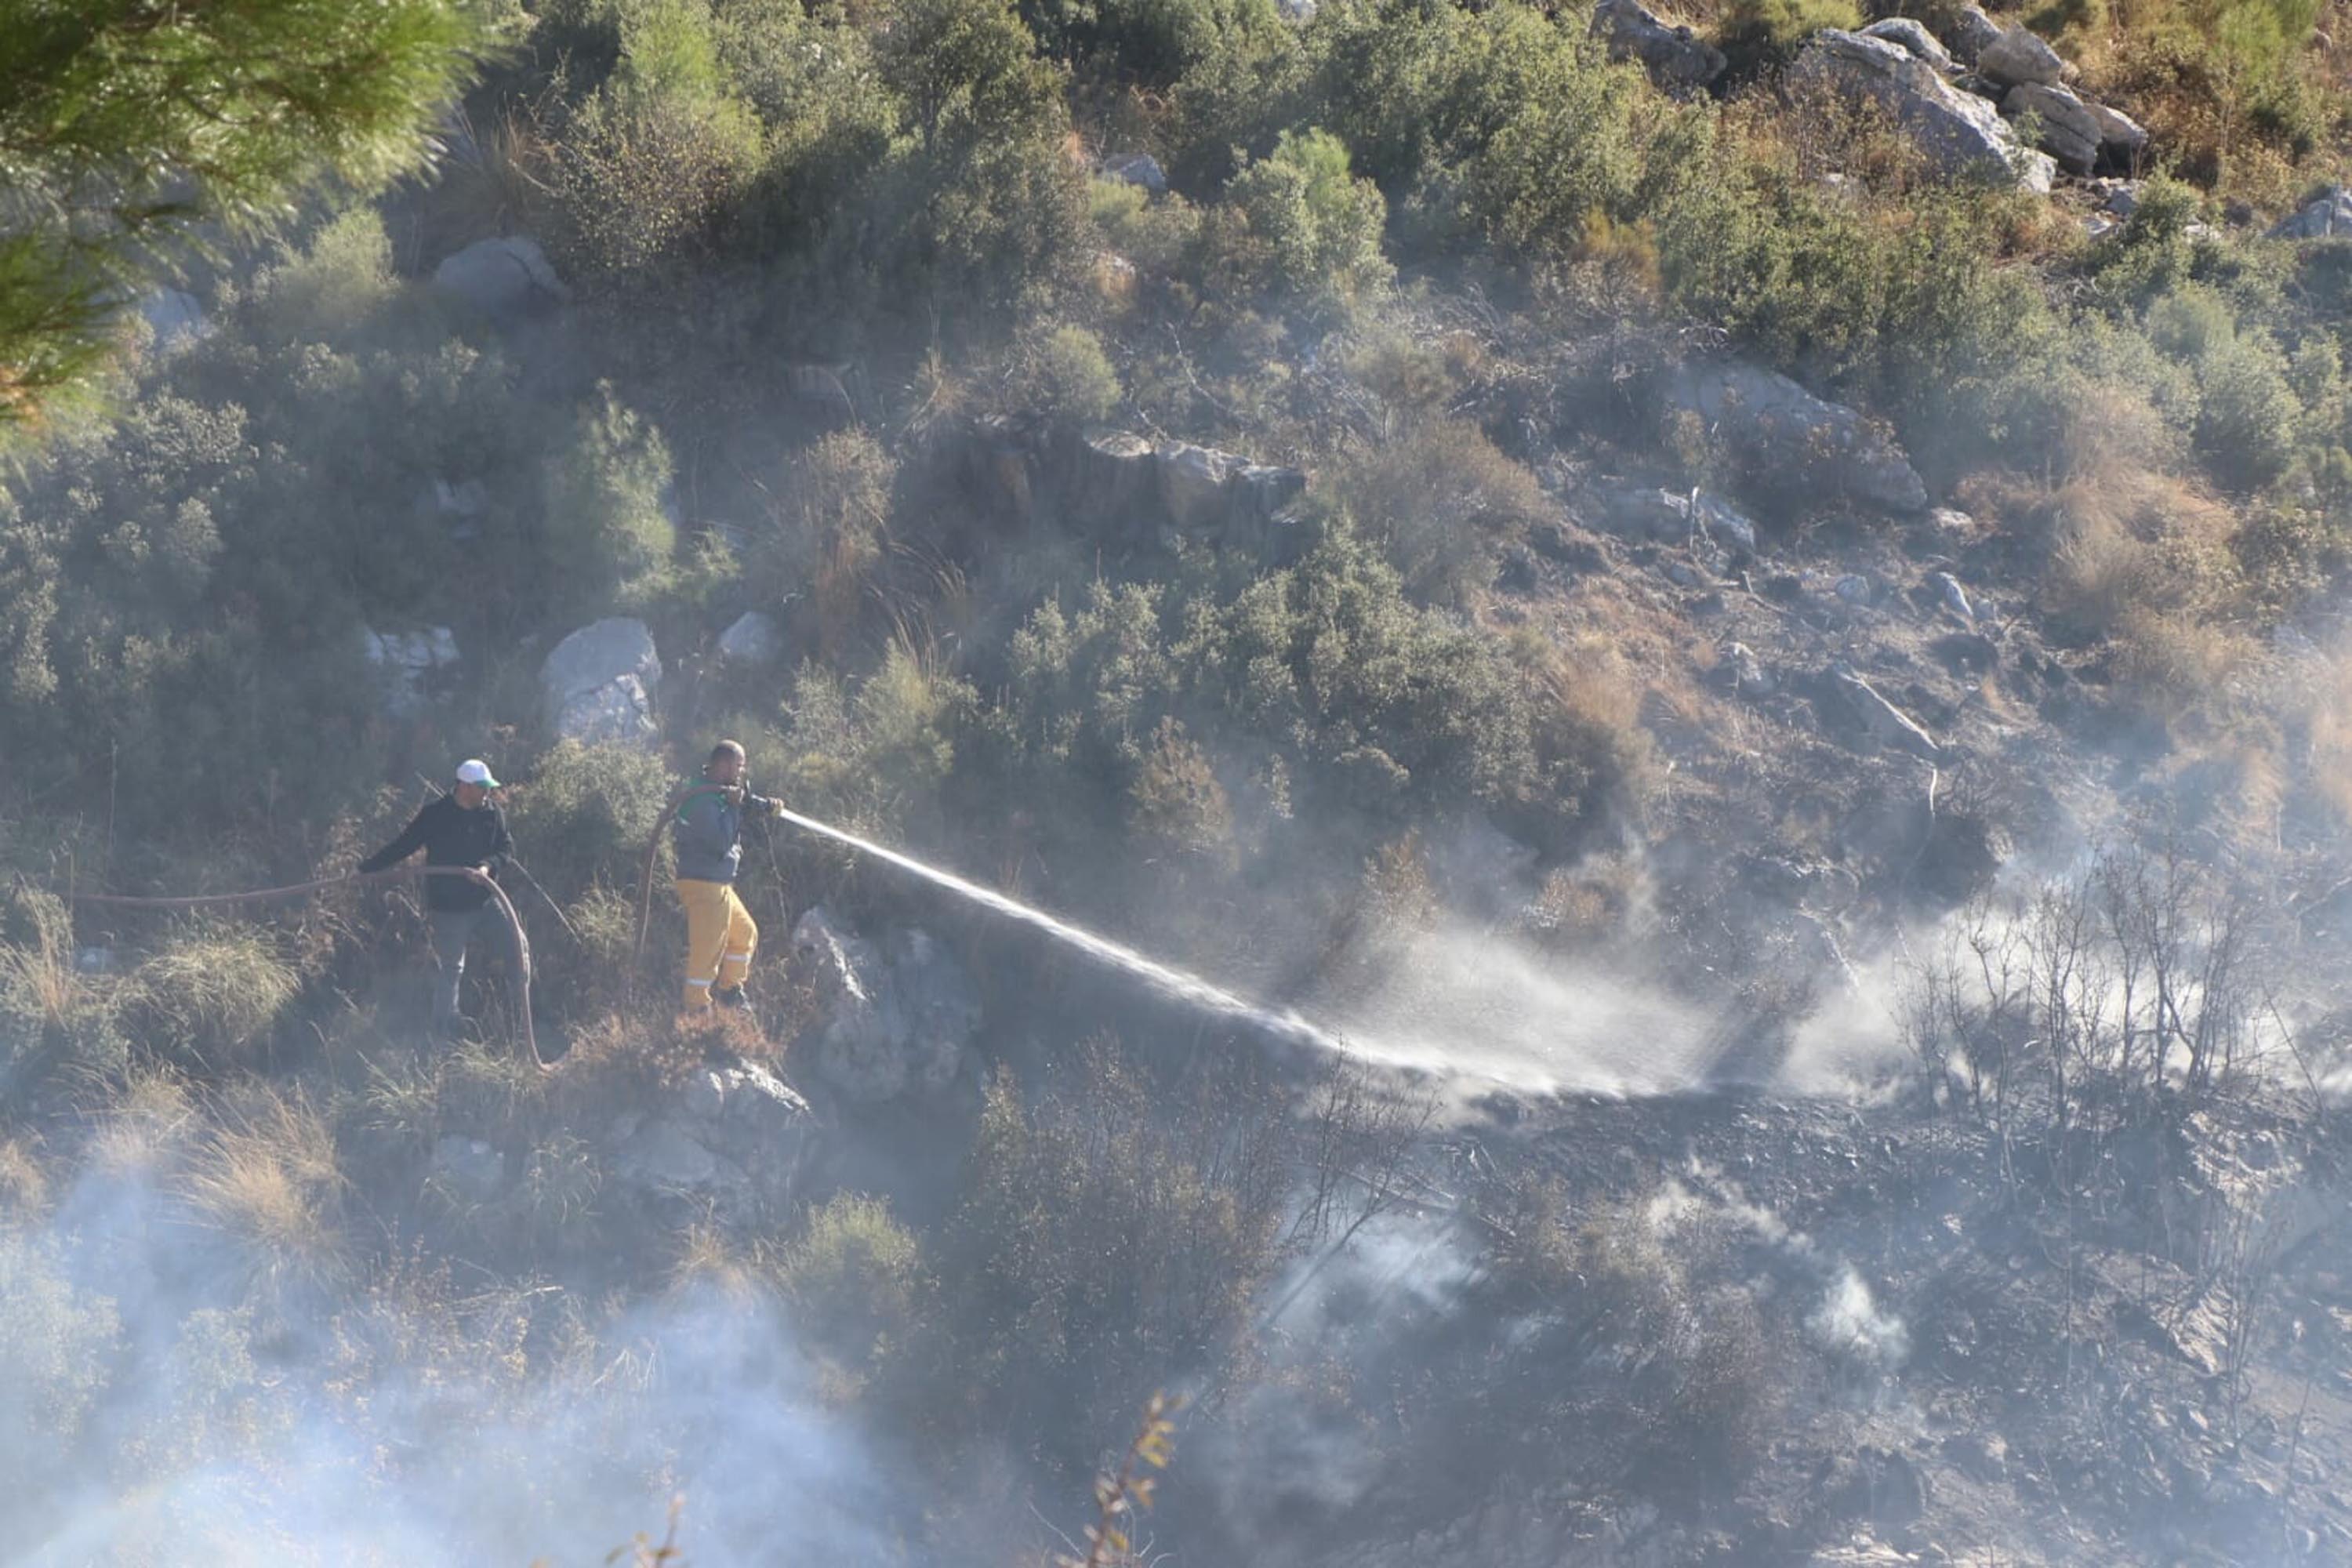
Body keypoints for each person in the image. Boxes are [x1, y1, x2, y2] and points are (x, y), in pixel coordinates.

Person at [359, 758, 516, 1039]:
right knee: (452, 969)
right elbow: (404, 845)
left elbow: (506, 848)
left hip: (486, 902)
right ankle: (444, 1031)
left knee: (518, 949)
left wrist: (487, 866)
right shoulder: (436, 814)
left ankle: (520, 1016)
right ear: (465, 787)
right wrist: (368, 868)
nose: (487, 793)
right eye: (482, 788)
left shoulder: (492, 813)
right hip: (449, 908)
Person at [672, 739, 786, 1013]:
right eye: (738, 765)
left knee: (744, 934)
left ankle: (730, 991)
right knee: (707, 951)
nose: (741, 771)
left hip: (718, 885)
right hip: (702, 884)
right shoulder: (700, 798)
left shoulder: (719, 793)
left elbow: (739, 805)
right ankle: (696, 1009)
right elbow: (720, 842)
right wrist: (734, 807)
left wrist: (764, 806)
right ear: (723, 764)